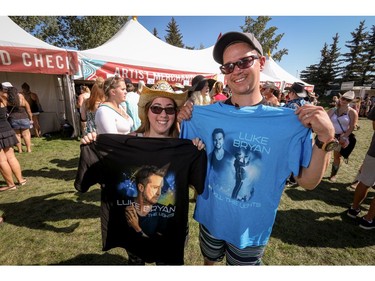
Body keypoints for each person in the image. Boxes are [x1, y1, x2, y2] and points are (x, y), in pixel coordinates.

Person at [179, 31, 336, 265]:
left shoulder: (288, 122)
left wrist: (326, 136)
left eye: (244, 61)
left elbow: (309, 182)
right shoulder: (202, 115)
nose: (236, 70)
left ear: (261, 62)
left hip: (250, 230)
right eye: (228, 66)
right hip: (210, 217)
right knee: (208, 263)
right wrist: (183, 119)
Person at [75, 80, 207, 265]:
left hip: (171, 235)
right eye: (156, 108)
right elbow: (95, 173)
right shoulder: (127, 143)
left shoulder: (183, 146)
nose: (163, 114)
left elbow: (196, 185)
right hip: (132, 233)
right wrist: (94, 145)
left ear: (175, 114)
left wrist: (195, 151)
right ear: (147, 111)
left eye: (169, 109)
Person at [346, 106, 375, 230]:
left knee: (364, 181)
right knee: (364, 182)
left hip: (374, 151)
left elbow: (374, 125)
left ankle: (354, 208)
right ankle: (369, 219)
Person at [0, 82, 27, 191]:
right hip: (7, 129)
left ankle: (10, 184)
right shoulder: (4, 99)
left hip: (3, 130)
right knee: (11, 157)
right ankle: (21, 180)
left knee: (2, 161)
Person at [327, 91, 358, 182]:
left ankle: (333, 175)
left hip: (341, 137)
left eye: (348, 100)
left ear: (351, 101)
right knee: (322, 154)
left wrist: (344, 137)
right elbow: (325, 122)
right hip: (329, 136)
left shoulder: (352, 112)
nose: (344, 101)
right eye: (343, 98)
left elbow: (352, 127)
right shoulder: (332, 110)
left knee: (337, 156)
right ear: (340, 98)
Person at [5, 84, 33, 153]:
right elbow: (28, 109)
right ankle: (28, 149)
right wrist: (31, 118)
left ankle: (20, 150)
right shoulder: (21, 96)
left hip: (13, 118)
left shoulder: (7, 99)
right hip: (24, 117)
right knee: (26, 134)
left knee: (17, 135)